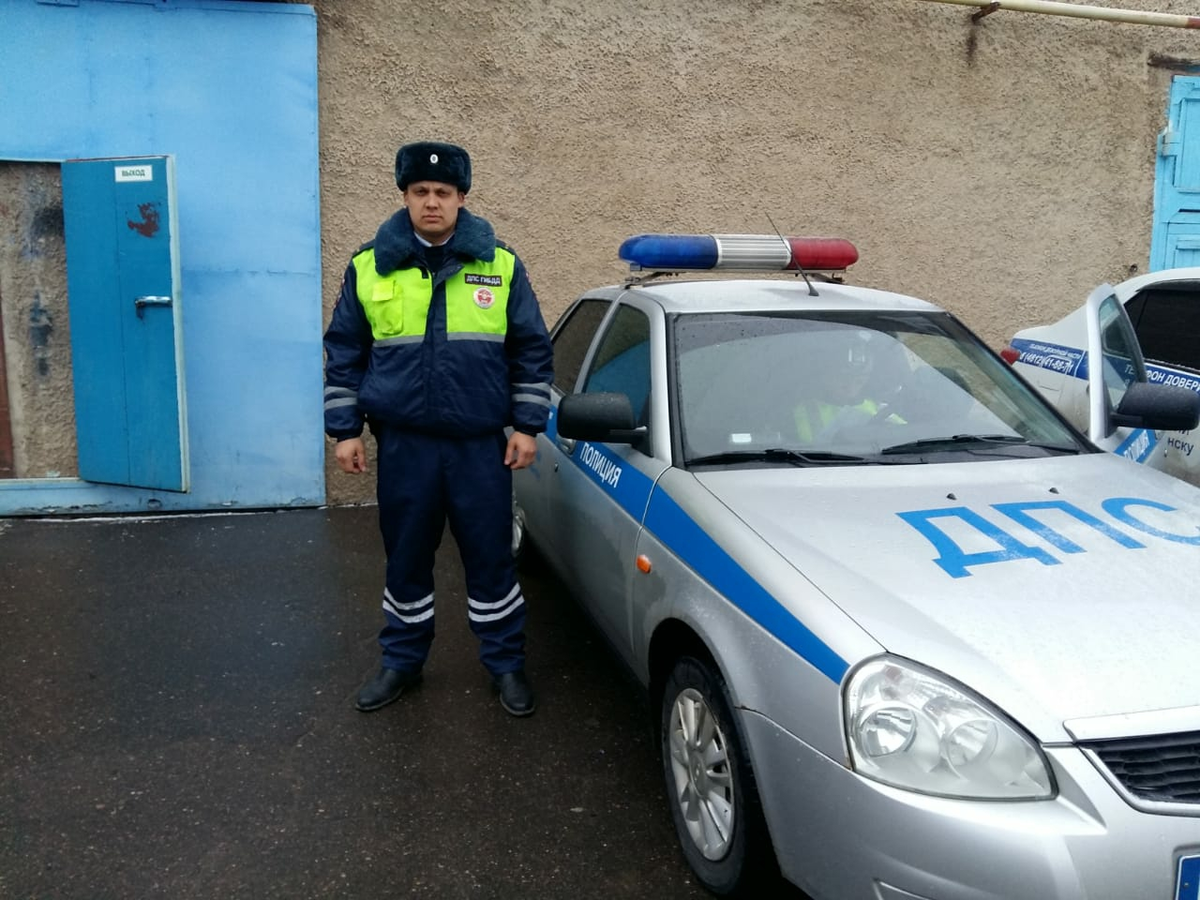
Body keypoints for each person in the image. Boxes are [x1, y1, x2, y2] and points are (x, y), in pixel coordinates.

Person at [323, 141, 553, 717]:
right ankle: (401, 661)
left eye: (443, 192)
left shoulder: (500, 264)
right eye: (420, 191)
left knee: (491, 558)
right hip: (405, 445)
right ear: (405, 196)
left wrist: (527, 426)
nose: (432, 202)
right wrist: (345, 431)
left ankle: (506, 664)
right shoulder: (368, 266)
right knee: (405, 558)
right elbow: (345, 353)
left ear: (461, 199)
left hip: (480, 446)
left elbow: (530, 350)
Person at [793, 332, 884, 442]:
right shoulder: (805, 412)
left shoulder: (880, 409)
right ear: (825, 376)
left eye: (859, 381)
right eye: (843, 379)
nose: (851, 390)